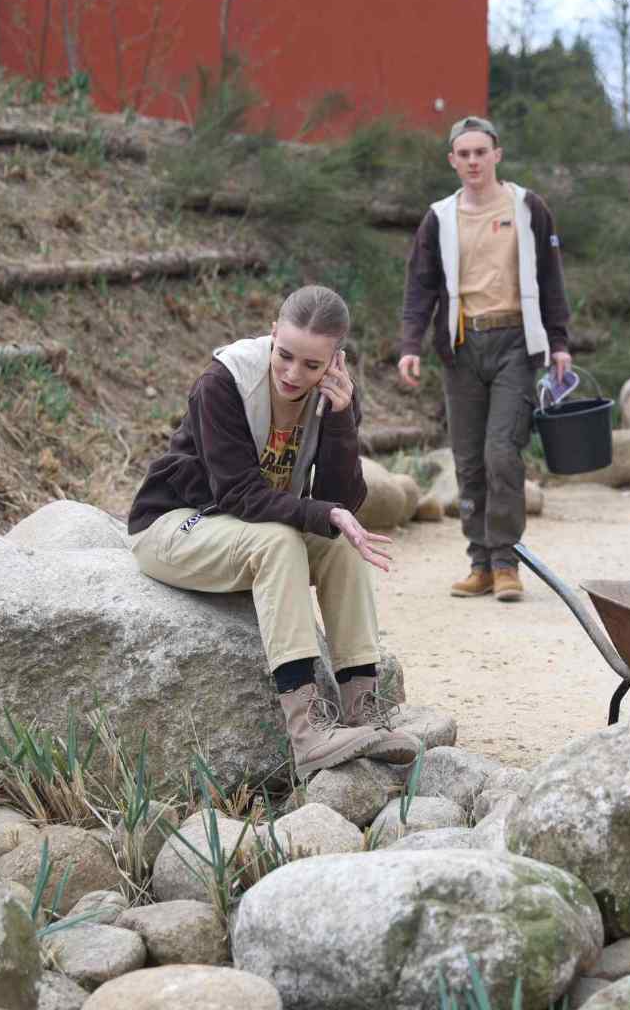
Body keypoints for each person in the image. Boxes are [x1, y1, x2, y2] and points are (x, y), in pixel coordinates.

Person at [127, 285, 420, 780]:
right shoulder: (223, 382)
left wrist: (341, 422)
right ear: (272, 334)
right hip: (176, 523)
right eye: (284, 355)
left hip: (242, 527)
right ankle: (308, 732)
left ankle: (363, 713)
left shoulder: (335, 396)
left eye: (312, 365)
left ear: (335, 360)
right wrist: (323, 514)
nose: (292, 374)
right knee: (280, 540)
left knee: (341, 544)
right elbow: (239, 493)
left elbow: (338, 499)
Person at [397, 115, 572, 602]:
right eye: (464, 154)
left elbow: (551, 278)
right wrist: (410, 345)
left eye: (481, 152)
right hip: (461, 347)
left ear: (497, 155)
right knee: (469, 459)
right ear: (452, 160)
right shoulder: (439, 217)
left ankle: (506, 562)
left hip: (515, 342)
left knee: (501, 452)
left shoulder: (528, 207)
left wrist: (559, 341)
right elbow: (420, 287)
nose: (473, 161)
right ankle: (480, 563)